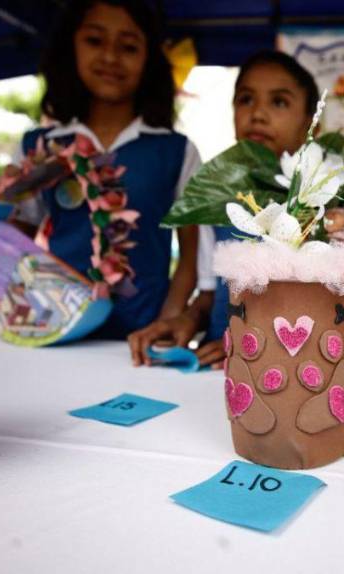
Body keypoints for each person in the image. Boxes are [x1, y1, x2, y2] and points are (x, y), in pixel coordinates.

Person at [0, 0, 205, 342]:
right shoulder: (39, 148)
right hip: (55, 341)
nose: (110, 57)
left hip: (140, 346)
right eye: (95, 40)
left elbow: (190, 261)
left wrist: (165, 325)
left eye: (128, 46)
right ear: (71, 47)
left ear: (149, 58)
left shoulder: (176, 151)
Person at [128, 50, 320, 368]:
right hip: (216, 367)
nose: (257, 113)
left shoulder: (325, 204)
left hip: (292, 372)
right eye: (245, 99)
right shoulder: (216, 196)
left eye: (279, 102)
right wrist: (187, 319)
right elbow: (209, 294)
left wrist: (254, 343)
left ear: (312, 124)